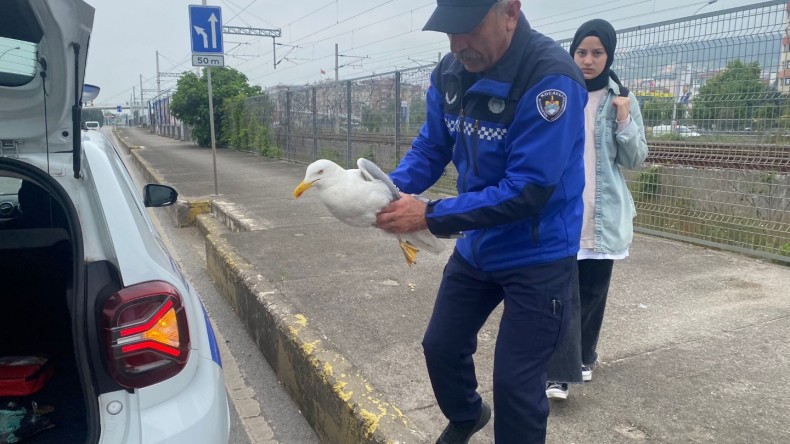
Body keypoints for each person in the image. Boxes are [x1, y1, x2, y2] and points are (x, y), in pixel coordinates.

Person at [374, 0, 587, 442]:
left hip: (538, 254)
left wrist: (431, 214)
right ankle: (468, 414)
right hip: (478, 246)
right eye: (449, 32)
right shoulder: (450, 73)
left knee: (516, 384)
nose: (457, 44)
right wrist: (386, 190)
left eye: (467, 28)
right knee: (441, 346)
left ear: (509, 12)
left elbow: (527, 189)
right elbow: (432, 147)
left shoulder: (550, 80)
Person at [545, 18, 649, 400]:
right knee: (559, 294)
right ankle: (558, 372)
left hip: (602, 214)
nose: (588, 60)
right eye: (581, 52)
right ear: (572, 53)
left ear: (609, 55)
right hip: (564, 211)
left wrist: (623, 117)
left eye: (597, 53)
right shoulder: (558, 94)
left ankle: (585, 356)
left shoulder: (621, 98)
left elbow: (636, 158)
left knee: (592, 292)